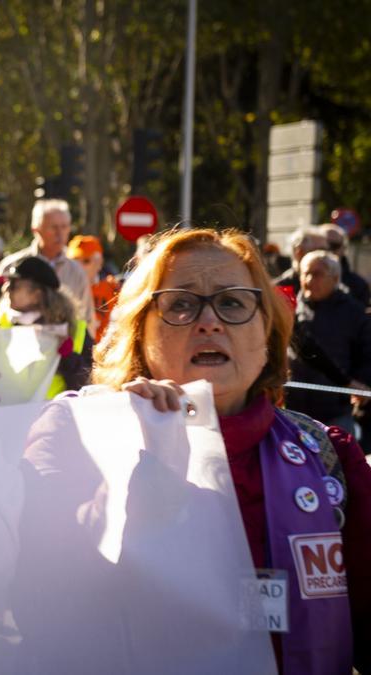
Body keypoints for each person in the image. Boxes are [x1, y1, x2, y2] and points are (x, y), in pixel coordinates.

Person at [88, 228, 369, 671]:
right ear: (140, 332)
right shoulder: (84, 444)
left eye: (233, 302)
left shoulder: (332, 459)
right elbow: (52, 607)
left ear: (268, 332)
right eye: (180, 303)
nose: (210, 322)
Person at [285, 250, 371, 436]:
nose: (308, 279)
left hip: (335, 411)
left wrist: (361, 383)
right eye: (304, 273)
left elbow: (367, 354)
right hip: (293, 409)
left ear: (335, 278)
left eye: (317, 274)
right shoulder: (291, 308)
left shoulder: (353, 312)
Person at [0, 256, 93, 397]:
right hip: (10, 413)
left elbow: (88, 381)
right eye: (7, 282)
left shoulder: (75, 329)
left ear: (37, 296)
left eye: (15, 285)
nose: (6, 288)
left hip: (53, 413)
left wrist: (68, 358)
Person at [0, 198, 93, 326]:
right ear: (36, 229)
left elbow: (86, 319)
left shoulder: (77, 272)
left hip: (62, 344)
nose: (60, 233)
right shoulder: (10, 267)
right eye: (53, 227)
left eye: (64, 227)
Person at [67, 234, 120, 342]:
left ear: (99, 263)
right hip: (75, 354)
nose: (78, 266)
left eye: (86, 261)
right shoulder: (63, 291)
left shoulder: (113, 289)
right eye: (74, 261)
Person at [319, 223, 370, 306]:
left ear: (343, 249)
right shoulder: (295, 279)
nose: (328, 251)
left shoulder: (358, 285)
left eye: (334, 246)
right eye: (322, 246)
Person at [273, 225, 328, 300]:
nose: (325, 256)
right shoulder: (280, 289)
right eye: (319, 251)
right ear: (299, 252)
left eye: (327, 251)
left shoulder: (332, 283)